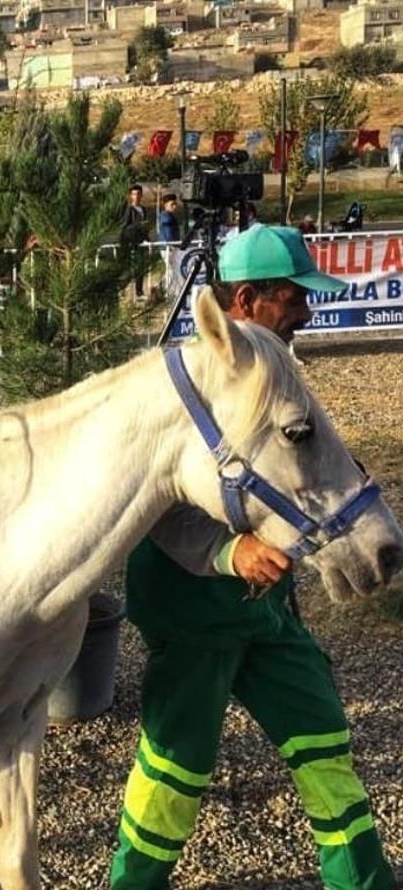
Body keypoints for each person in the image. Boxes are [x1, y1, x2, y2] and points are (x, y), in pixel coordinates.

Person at [109, 225, 394, 890]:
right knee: (175, 769)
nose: (307, 311)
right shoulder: (185, 386)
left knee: (324, 739)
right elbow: (153, 503)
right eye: (294, 297)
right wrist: (229, 551)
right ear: (245, 299)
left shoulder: (276, 366)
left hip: (270, 616)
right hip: (194, 611)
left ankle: (364, 880)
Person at [121, 184, 149, 299]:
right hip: (130, 241)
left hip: (141, 241)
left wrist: (146, 236)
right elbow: (125, 226)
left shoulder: (143, 209)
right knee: (128, 268)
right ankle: (122, 289)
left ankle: (139, 291)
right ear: (130, 196)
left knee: (140, 267)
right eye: (133, 194)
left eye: (138, 194)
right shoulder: (129, 210)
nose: (136, 196)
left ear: (141, 195)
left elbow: (145, 226)